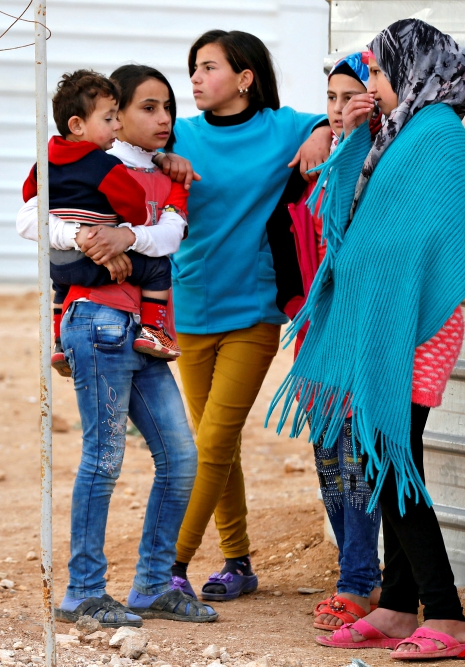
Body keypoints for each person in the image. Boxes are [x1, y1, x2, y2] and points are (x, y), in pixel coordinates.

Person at [267, 18, 465, 659]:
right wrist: (353, 135)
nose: (376, 86)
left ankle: (445, 616)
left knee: (393, 460)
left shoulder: (439, 135)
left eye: (383, 74)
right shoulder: (393, 133)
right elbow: (338, 223)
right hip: (383, 320)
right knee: (384, 457)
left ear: (416, 70)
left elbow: (423, 241)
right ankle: (396, 604)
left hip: (417, 320)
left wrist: (381, 299)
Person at [17, 65, 213, 626]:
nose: (164, 118)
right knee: (104, 459)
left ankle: (152, 585)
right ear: (114, 118)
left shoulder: (159, 171)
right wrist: (80, 234)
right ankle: (83, 591)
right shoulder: (93, 165)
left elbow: (171, 235)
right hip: (100, 321)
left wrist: (126, 234)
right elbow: (28, 218)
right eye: (146, 108)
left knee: (180, 459)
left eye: (168, 108)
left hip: (143, 333)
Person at [158, 30, 332, 604]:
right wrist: (163, 157)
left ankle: (169, 567)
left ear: (245, 77)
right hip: (189, 307)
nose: (196, 79)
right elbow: (133, 154)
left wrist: (323, 134)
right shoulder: (179, 134)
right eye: (194, 69)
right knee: (216, 442)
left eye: (208, 67)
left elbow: (329, 119)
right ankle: (237, 562)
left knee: (210, 444)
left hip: (252, 311)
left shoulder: (282, 127)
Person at [269, 52, 384, 630]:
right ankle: (357, 572)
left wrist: (347, 138)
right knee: (328, 460)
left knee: (357, 457)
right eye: (331, 100)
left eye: (349, 98)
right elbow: (280, 229)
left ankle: (358, 582)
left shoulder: (377, 159)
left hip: (359, 334)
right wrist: (296, 306)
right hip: (315, 333)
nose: (337, 111)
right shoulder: (317, 160)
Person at [21, 70, 183, 377]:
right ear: (77, 125)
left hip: (62, 261)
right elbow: (134, 207)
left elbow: (30, 195)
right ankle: (152, 330)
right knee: (158, 268)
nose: (116, 126)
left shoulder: (45, 160)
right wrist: (125, 229)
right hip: (100, 267)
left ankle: (58, 341)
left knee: (59, 286)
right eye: (109, 119)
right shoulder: (106, 164)